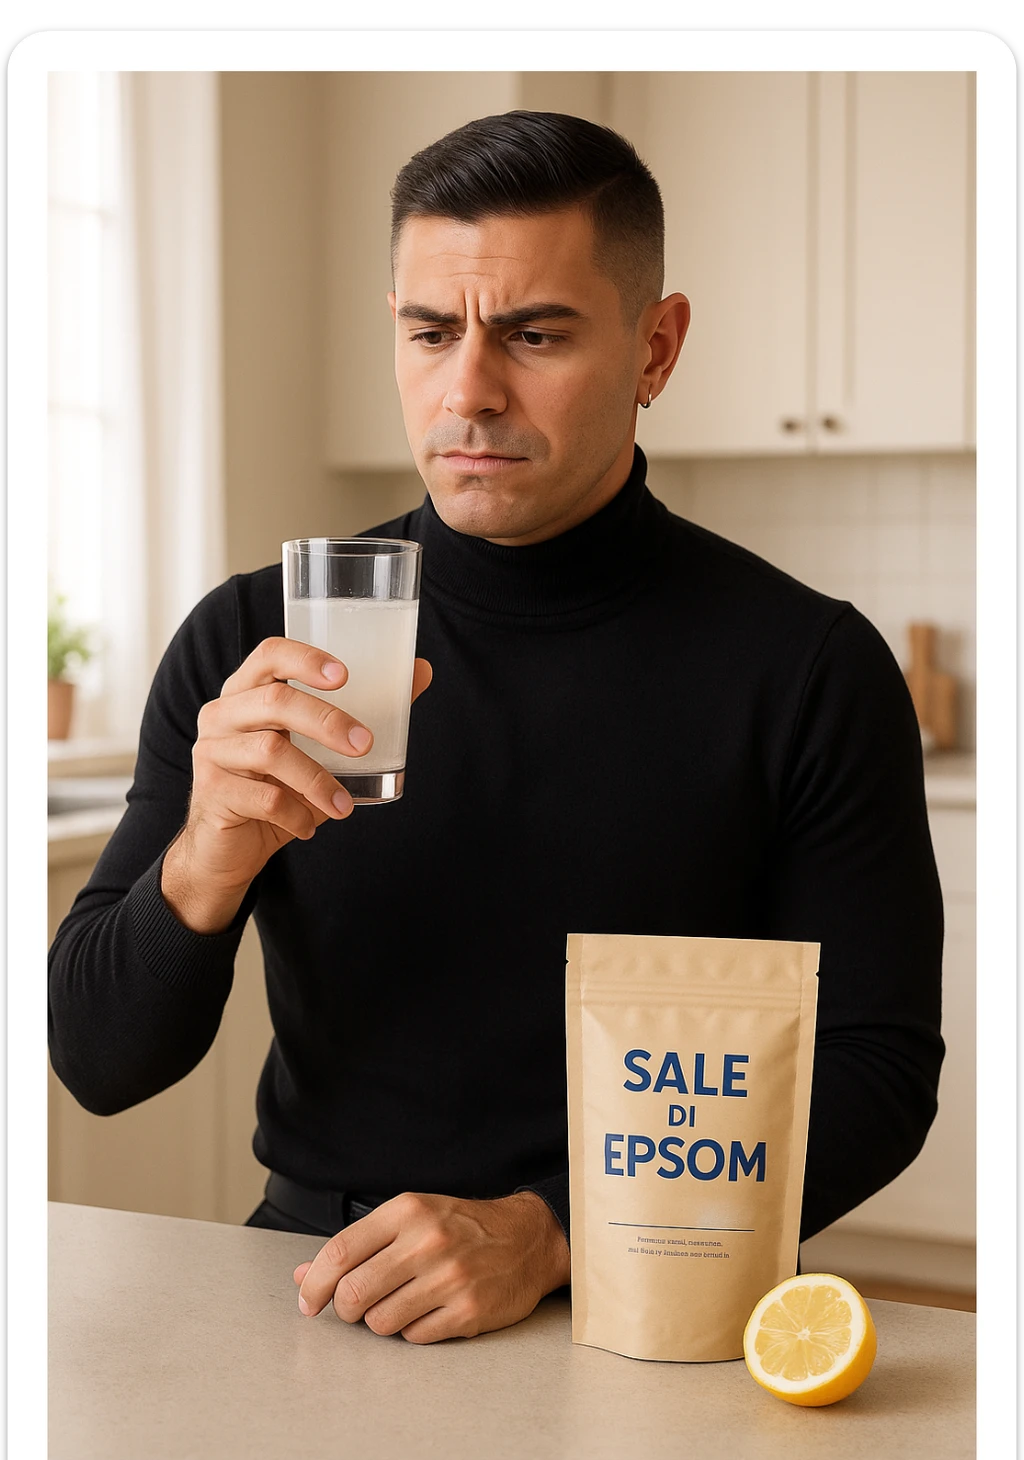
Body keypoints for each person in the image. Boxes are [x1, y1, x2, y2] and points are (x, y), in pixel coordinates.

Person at [47, 110, 944, 1345]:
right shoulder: (252, 638)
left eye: (533, 334)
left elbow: (877, 1069)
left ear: (656, 347)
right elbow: (98, 1064)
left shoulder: (807, 667)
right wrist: (207, 853)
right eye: (430, 331)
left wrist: (556, 1229)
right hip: (319, 1284)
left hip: (649, 1294)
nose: (468, 389)